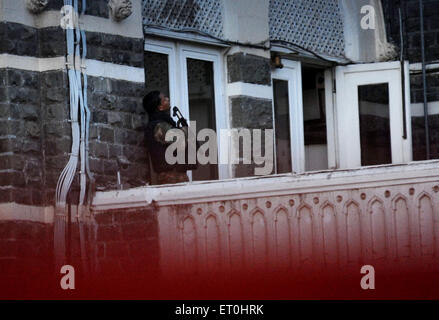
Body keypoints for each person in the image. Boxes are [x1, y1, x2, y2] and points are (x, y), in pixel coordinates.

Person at [144, 91, 193, 185]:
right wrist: (185, 129)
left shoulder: (162, 123)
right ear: (160, 107)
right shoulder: (159, 126)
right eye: (164, 98)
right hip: (171, 177)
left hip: (174, 174)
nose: (168, 99)